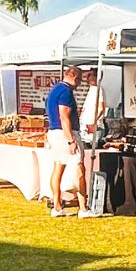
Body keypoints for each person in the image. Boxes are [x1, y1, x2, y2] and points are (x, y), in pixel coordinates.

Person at [44, 64, 84, 217]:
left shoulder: (55, 89)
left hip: (54, 132)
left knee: (58, 167)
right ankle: (83, 208)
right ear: (75, 77)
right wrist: (71, 140)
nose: (79, 85)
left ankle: (57, 206)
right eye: (79, 81)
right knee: (79, 167)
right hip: (64, 133)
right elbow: (64, 117)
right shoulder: (66, 91)